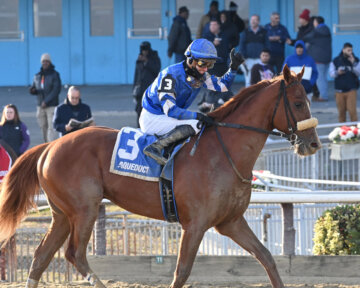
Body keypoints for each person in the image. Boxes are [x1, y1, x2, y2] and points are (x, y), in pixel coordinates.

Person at [140, 39, 244, 165]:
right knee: (196, 124)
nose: (205, 69)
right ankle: (155, 147)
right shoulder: (170, 75)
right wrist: (197, 115)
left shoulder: (199, 75)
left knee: (203, 124)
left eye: (209, 64)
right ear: (190, 60)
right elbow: (171, 110)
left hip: (166, 117)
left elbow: (222, 86)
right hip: (153, 117)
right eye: (202, 63)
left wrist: (233, 68)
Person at [29, 53, 61, 142]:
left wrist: (46, 101)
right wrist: (32, 90)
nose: (45, 63)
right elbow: (34, 87)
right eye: (43, 61)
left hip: (51, 105)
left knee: (51, 127)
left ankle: (50, 145)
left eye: (47, 61)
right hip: (40, 106)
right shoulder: (38, 75)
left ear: (50, 62)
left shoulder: (55, 75)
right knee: (43, 126)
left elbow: (56, 90)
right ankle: (46, 144)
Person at [303, 16, 332, 102]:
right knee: (324, 78)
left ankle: (323, 96)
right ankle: (324, 94)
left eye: (314, 22)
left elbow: (305, 38)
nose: (313, 23)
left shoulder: (316, 32)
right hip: (326, 58)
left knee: (320, 78)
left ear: (316, 22)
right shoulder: (327, 30)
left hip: (318, 58)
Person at [329, 42, 360, 122]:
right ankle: (342, 131)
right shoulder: (335, 60)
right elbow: (331, 74)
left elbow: (358, 73)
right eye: (348, 50)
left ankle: (355, 131)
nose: (350, 52)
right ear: (343, 50)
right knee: (341, 112)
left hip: (351, 89)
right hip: (339, 91)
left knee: (352, 111)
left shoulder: (356, 60)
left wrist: (353, 63)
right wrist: (337, 72)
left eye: (351, 50)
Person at [133, 41, 161, 126]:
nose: (144, 52)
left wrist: (147, 62)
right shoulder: (139, 59)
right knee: (138, 110)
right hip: (140, 89)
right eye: (143, 50)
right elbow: (136, 74)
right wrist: (134, 88)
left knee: (150, 110)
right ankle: (139, 127)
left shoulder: (154, 58)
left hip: (150, 89)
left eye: (146, 50)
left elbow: (156, 70)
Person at [240, 15, 269, 87]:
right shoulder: (245, 32)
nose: (253, 21)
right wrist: (242, 57)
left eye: (255, 20)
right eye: (252, 19)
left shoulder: (264, 32)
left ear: (258, 21)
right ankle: (249, 96)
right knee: (248, 80)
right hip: (248, 59)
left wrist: (266, 57)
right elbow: (242, 45)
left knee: (262, 79)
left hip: (260, 59)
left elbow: (267, 45)